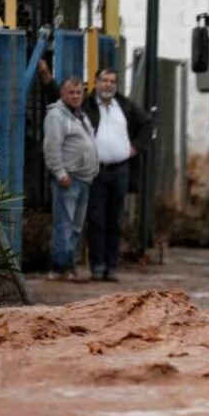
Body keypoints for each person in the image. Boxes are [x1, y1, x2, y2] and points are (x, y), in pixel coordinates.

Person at [82, 69, 154, 282]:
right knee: (95, 219)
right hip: (96, 171)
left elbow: (148, 124)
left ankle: (111, 266)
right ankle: (97, 266)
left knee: (114, 219)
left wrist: (135, 148)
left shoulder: (125, 105)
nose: (108, 85)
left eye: (112, 81)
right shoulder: (87, 105)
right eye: (104, 80)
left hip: (120, 170)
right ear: (96, 82)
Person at [43, 77, 99, 281]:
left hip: (83, 178)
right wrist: (60, 172)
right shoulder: (57, 116)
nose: (76, 96)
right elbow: (52, 146)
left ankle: (68, 265)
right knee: (64, 224)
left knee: (75, 226)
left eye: (79, 92)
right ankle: (59, 267)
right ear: (62, 94)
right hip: (69, 178)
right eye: (71, 93)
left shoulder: (80, 115)